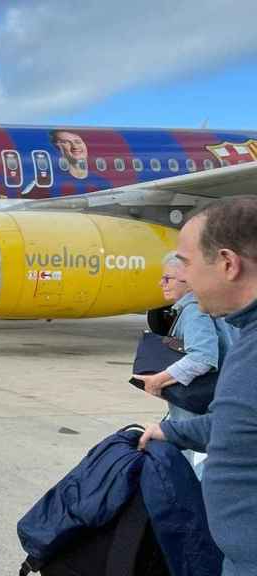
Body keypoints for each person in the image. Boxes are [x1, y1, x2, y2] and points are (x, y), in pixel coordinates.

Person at [137, 197, 257, 576]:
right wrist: (170, 431)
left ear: (227, 263)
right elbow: (237, 425)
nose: (183, 277)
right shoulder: (246, 335)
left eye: (185, 264)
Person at [135, 252, 235, 479]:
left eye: (167, 278)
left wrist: (158, 380)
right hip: (217, 397)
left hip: (196, 403)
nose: (162, 283)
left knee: (188, 460)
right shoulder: (211, 307)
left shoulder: (193, 310)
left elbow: (203, 357)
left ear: (188, 282)